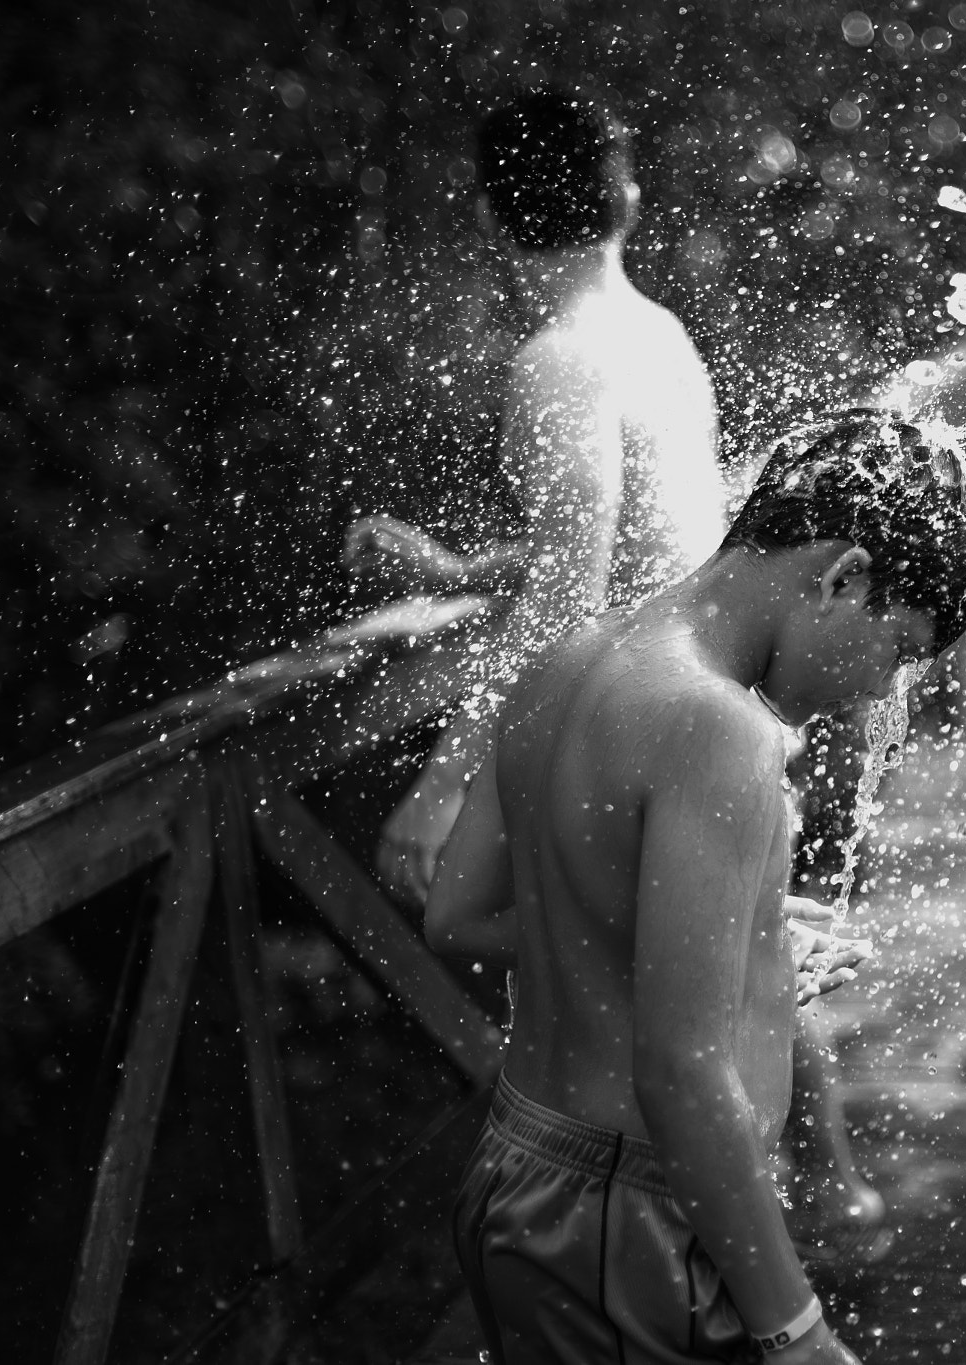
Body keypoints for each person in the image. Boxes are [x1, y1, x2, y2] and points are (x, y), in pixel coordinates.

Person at [423, 410, 966, 1365]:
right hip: (629, 1219)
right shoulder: (719, 728)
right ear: (843, 574)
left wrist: (731, 941)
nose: (872, 695)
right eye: (897, 649)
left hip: (528, 1173)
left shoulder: (574, 654)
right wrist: (796, 1324)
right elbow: (682, 1070)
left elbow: (461, 915)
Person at [345, 85, 724, 908]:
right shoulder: (659, 335)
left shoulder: (561, 360)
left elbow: (568, 593)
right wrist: (464, 574)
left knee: (522, 975)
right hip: (704, 732)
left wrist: (444, 783)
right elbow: (646, 547)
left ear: (488, 216)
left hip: (637, 760)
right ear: (627, 199)